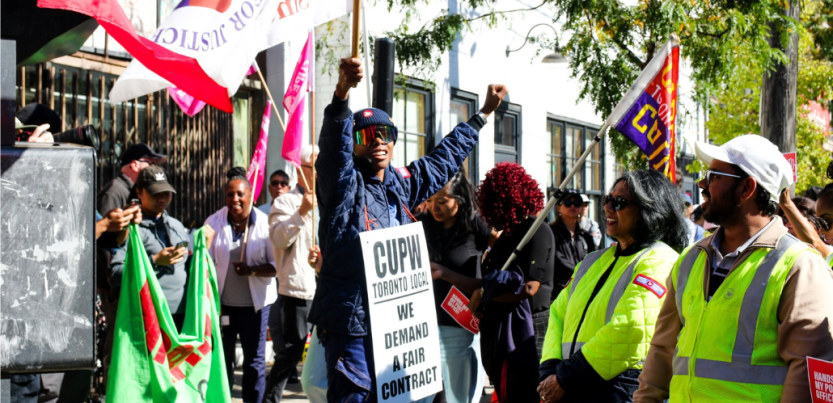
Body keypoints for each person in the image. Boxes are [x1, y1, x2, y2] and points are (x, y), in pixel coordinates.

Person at [311, 55, 507, 403]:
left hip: (395, 325)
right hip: (351, 322)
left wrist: (483, 115)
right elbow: (333, 153)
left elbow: (442, 160)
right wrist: (341, 95)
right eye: (366, 134)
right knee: (354, 396)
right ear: (354, 143)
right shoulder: (342, 185)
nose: (377, 141)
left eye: (384, 133)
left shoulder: (402, 185)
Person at [634, 135, 833, 402]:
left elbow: (807, 370)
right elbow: (662, 349)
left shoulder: (799, 265)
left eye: (714, 175)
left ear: (747, 188)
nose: (703, 184)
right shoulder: (691, 259)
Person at [537, 170, 687, 403]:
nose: (607, 208)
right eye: (608, 200)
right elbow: (557, 313)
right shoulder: (592, 261)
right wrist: (550, 369)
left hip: (616, 387)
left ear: (649, 209)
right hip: (572, 383)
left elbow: (631, 327)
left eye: (619, 203)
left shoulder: (660, 259)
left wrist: (565, 377)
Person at [464, 163, 555, 402]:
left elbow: (529, 287)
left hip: (530, 326)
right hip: (501, 326)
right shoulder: (505, 236)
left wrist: (488, 298)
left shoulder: (538, 230)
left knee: (526, 391)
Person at [204, 167, 278, 403]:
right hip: (223, 307)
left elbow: (276, 267)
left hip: (255, 307)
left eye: (240, 194)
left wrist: (252, 270)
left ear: (251, 196)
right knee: (222, 359)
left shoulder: (265, 225)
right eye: (229, 194)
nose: (234, 199)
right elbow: (201, 259)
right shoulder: (213, 223)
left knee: (254, 361)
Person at [419, 172, 494, 403]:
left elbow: (492, 280)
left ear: (460, 199)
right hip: (422, 327)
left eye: (442, 201)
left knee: (457, 398)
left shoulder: (477, 225)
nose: (434, 207)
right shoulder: (421, 223)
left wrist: (445, 274)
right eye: (430, 201)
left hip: (459, 326)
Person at [263, 146, 320, 403]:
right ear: (300, 170)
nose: (320, 172)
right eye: (314, 167)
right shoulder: (285, 201)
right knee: (291, 352)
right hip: (299, 289)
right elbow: (278, 238)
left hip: (328, 287)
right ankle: (271, 399)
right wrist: (303, 212)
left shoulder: (331, 198)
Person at [109, 165, 192, 330]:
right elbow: (114, 275)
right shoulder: (131, 228)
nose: (162, 199)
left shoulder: (177, 226)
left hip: (182, 318)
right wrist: (154, 261)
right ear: (139, 193)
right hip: (148, 319)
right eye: (155, 193)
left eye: (166, 193)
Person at [550, 191, 597, 301]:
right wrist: (579, 273)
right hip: (558, 292)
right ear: (558, 207)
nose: (572, 206)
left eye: (577, 203)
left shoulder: (585, 236)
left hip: (582, 289)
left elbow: (593, 259)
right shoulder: (551, 232)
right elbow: (558, 259)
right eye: (567, 203)